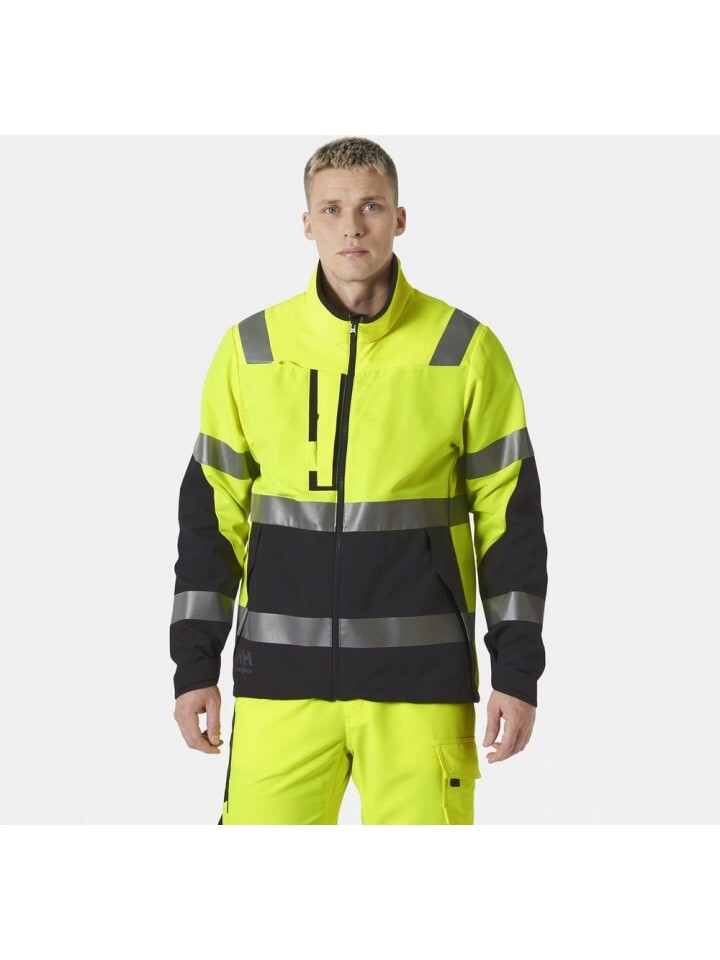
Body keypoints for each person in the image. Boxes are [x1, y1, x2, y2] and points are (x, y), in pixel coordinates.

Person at [169, 136, 548, 825]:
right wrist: (195, 665)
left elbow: (510, 522)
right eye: (332, 209)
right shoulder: (251, 350)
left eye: (370, 206)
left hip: (421, 688)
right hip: (278, 686)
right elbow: (211, 520)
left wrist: (516, 673)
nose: (351, 226)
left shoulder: (463, 349)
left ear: (399, 218)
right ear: (306, 223)